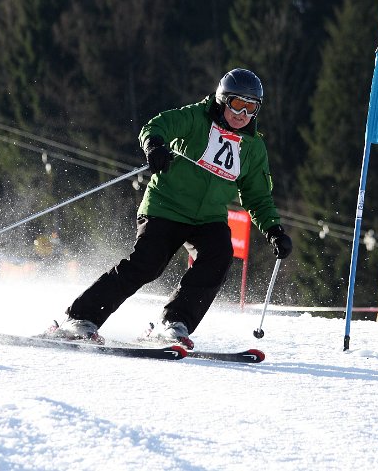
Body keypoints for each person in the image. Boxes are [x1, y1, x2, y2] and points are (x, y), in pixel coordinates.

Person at [47, 68, 292, 349]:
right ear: (222, 100)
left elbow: (257, 196)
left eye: (251, 108)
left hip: (207, 217)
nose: (242, 114)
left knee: (219, 255)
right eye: (237, 104)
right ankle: (80, 317)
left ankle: (174, 323)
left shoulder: (253, 147)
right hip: (166, 206)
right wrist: (155, 146)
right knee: (147, 264)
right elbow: (156, 126)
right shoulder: (196, 118)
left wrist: (274, 230)